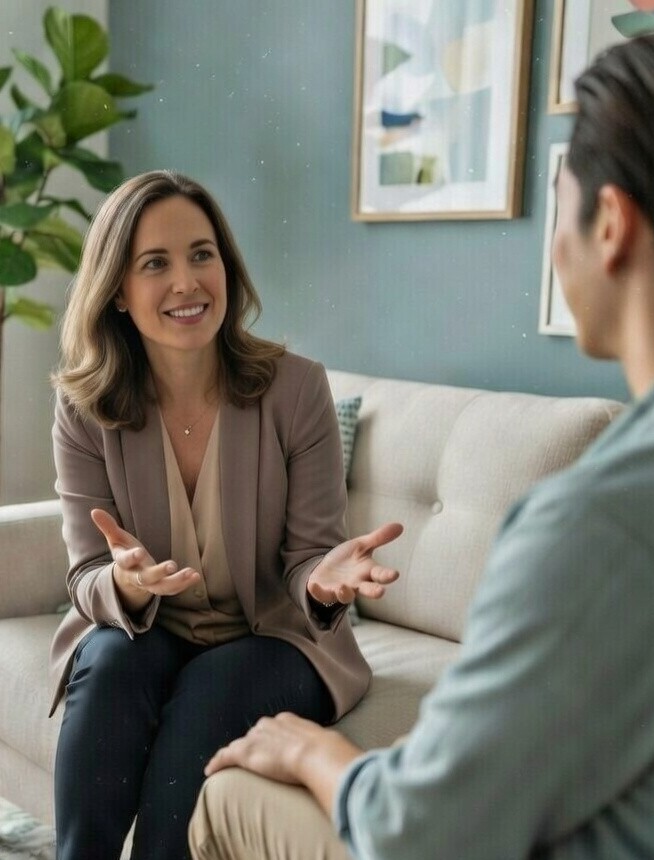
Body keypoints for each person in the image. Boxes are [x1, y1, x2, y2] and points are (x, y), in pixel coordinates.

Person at [188, 25, 654, 860]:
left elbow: (421, 834)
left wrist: (310, 751)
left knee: (230, 791)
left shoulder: (601, 525)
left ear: (611, 223)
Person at [48, 169, 403, 860]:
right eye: (156, 263)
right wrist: (123, 582)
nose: (186, 282)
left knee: (212, 687)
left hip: (275, 638)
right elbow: (85, 573)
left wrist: (325, 577)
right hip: (147, 629)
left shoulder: (297, 389)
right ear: (118, 290)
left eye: (201, 254)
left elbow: (309, 557)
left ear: (227, 268)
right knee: (110, 664)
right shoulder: (82, 407)